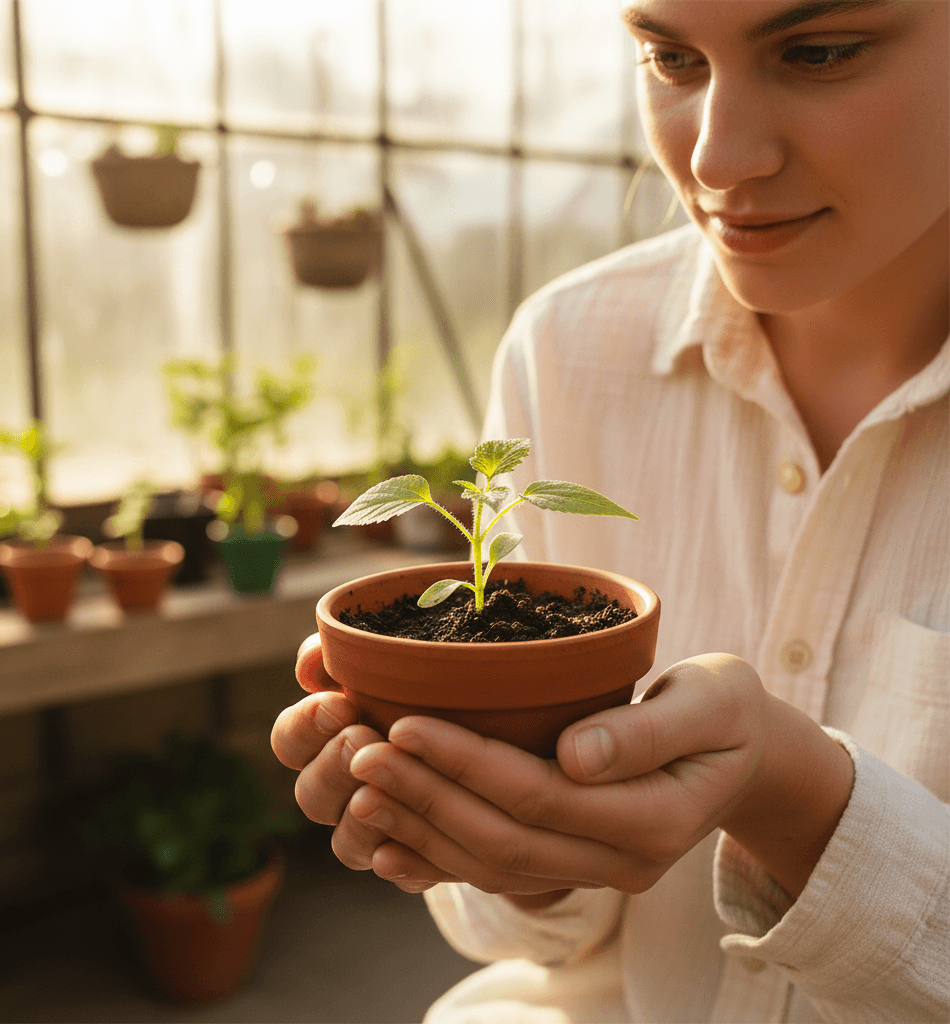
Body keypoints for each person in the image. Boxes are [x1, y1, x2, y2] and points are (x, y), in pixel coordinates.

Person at [272, 1, 949, 1020]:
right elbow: (535, 937)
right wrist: (511, 849)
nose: (715, 159)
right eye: (669, 58)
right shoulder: (569, 351)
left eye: (818, 52)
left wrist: (795, 797)